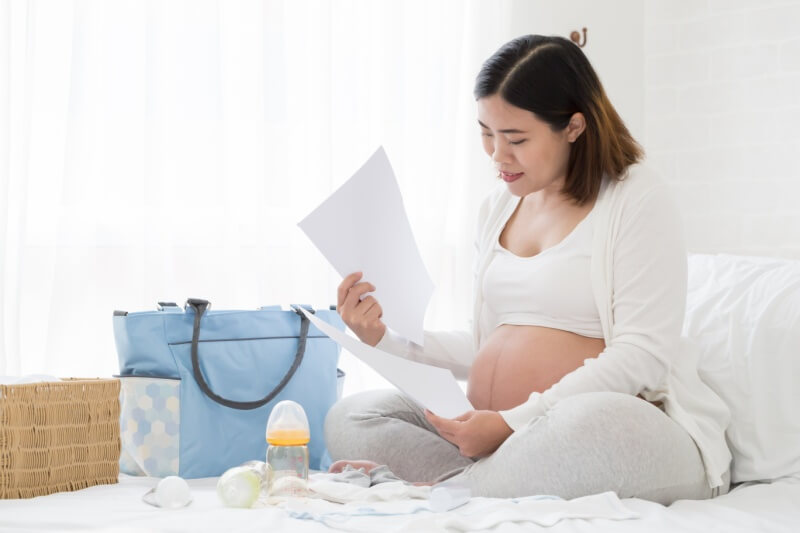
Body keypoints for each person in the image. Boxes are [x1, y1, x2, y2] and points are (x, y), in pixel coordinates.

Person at [324, 34, 732, 505]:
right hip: (508, 440)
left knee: (582, 425)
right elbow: (483, 345)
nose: (498, 156)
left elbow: (641, 356)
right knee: (354, 416)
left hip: (613, 428)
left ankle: (438, 488)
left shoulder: (636, 197)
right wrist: (384, 340)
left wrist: (513, 421)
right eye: (486, 133)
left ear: (574, 127)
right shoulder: (497, 207)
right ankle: (474, 485)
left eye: (516, 139)